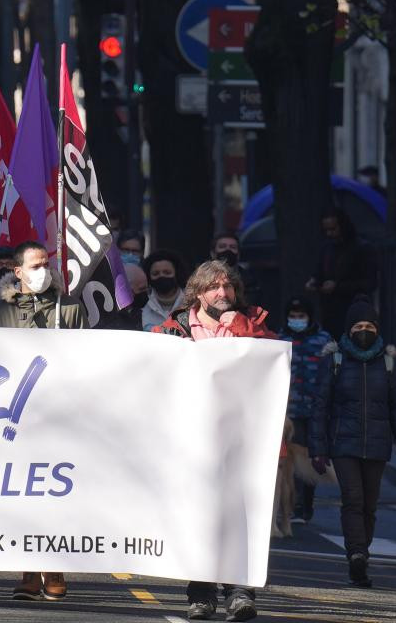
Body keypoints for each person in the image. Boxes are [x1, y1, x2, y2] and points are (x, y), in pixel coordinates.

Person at [155, 257, 273, 621]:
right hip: (190, 440)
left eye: (228, 286)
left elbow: (274, 364)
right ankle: (201, 594)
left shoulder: (252, 323)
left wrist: (241, 328)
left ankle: (240, 591)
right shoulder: (171, 330)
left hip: (242, 438)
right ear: (198, 292)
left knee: (240, 514)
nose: (222, 293)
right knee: (197, 516)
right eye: (213, 287)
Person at [0, 239, 80, 599]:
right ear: (17, 272)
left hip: (56, 415)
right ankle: (27, 573)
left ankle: (54, 569)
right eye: (35, 265)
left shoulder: (69, 308)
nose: (43, 270)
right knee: (22, 493)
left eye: (46, 264)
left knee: (53, 493)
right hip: (13, 416)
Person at [311, 301, 396, 588]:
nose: (364, 331)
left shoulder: (389, 363)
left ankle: (361, 552)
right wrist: (317, 448)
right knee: (353, 499)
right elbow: (321, 406)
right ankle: (356, 554)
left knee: (369, 504)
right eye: (358, 327)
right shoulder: (335, 360)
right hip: (344, 443)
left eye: (369, 327)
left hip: (377, 444)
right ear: (348, 330)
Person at [280, 296, 331, 523]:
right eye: (293, 316)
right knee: (291, 460)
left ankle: (305, 505)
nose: (297, 320)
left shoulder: (323, 341)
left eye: (301, 316)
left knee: (311, 458)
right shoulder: (280, 339)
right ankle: (293, 504)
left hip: (315, 410)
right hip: (289, 410)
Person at [306, 208, 377, 335]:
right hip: (330, 311)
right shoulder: (327, 248)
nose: (329, 234)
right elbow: (320, 271)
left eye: (333, 229)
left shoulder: (361, 248)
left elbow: (370, 282)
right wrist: (314, 281)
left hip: (354, 310)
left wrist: (338, 287)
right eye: (326, 230)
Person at [141, 250, 186, 331]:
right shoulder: (142, 305)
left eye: (167, 272)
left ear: (177, 274)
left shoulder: (190, 302)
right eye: (155, 273)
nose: (161, 276)